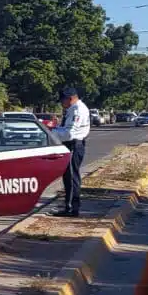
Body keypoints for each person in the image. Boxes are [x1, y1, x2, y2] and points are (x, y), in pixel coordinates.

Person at [56, 88, 90, 217]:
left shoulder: (77, 111)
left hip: (74, 145)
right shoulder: (73, 109)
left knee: (71, 177)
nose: (61, 104)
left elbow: (69, 134)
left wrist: (52, 133)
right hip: (72, 145)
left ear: (70, 99)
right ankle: (68, 206)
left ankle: (71, 208)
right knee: (68, 176)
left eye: (62, 101)